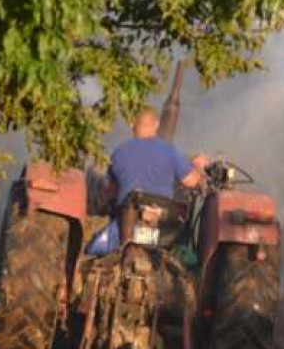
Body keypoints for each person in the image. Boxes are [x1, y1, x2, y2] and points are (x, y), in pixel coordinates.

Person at [86, 108, 207, 255]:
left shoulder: (119, 152)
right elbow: (192, 181)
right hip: (163, 227)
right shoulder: (170, 151)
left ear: (132, 126)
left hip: (126, 226)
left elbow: (111, 192)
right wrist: (199, 169)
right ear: (156, 125)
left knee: (92, 251)